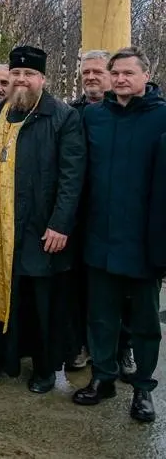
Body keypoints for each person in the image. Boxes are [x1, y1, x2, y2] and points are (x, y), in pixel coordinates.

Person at [0, 45, 85, 394]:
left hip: (39, 227)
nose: (21, 80)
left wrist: (61, 223)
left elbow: (72, 176)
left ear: (42, 78)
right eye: (16, 74)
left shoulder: (62, 117)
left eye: (29, 74)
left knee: (40, 300)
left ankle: (44, 365)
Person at [73, 47, 166, 423]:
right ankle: (104, 377)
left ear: (146, 75)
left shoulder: (161, 117)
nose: (122, 79)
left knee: (144, 323)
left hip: (145, 242)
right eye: (117, 73)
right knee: (101, 317)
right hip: (99, 238)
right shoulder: (94, 116)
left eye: (130, 72)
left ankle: (143, 388)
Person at [66, 49, 133, 375]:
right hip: (82, 215)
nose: (90, 77)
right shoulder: (72, 113)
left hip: (121, 215)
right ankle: (82, 344)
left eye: (96, 71)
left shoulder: (127, 111)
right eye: (85, 73)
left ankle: (123, 349)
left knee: (124, 290)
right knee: (81, 285)